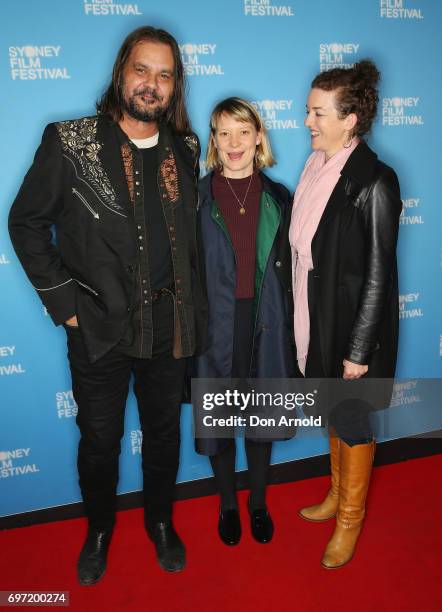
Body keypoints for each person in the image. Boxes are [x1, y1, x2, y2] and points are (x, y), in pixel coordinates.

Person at [8, 26, 207, 583]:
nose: (152, 84)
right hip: (98, 327)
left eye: (165, 75)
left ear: (175, 87)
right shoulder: (70, 142)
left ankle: (161, 523)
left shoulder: (185, 149)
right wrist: (66, 305)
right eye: (142, 70)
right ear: (121, 72)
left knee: (164, 433)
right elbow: (25, 222)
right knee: (99, 440)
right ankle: (98, 529)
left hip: (169, 328)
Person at [289, 60, 401, 568]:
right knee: (335, 410)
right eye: (308, 109)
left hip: (352, 327)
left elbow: (380, 275)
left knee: (352, 420)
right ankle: (336, 494)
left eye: (317, 112)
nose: (307, 120)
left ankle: (350, 520)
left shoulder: (375, 181)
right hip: (317, 315)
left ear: (349, 118)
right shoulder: (316, 164)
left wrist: (359, 351)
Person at [194, 97, 295, 546]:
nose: (233, 142)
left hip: (266, 321)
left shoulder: (280, 197)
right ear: (213, 141)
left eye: (242, 131)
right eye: (223, 132)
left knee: (261, 418)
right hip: (214, 326)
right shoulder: (194, 199)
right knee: (218, 423)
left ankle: (257, 504)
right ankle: (228, 505)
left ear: (258, 137)